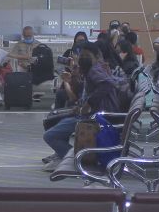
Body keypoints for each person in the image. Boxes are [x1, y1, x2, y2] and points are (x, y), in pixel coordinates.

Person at [42, 42, 122, 170]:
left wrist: (88, 104)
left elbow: (106, 84)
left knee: (50, 135)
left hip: (94, 117)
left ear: (96, 56)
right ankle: (67, 155)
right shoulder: (95, 68)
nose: (82, 58)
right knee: (54, 118)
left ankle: (74, 157)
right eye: (81, 55)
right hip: (88, 114)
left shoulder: (95, 69)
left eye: (86, 55)